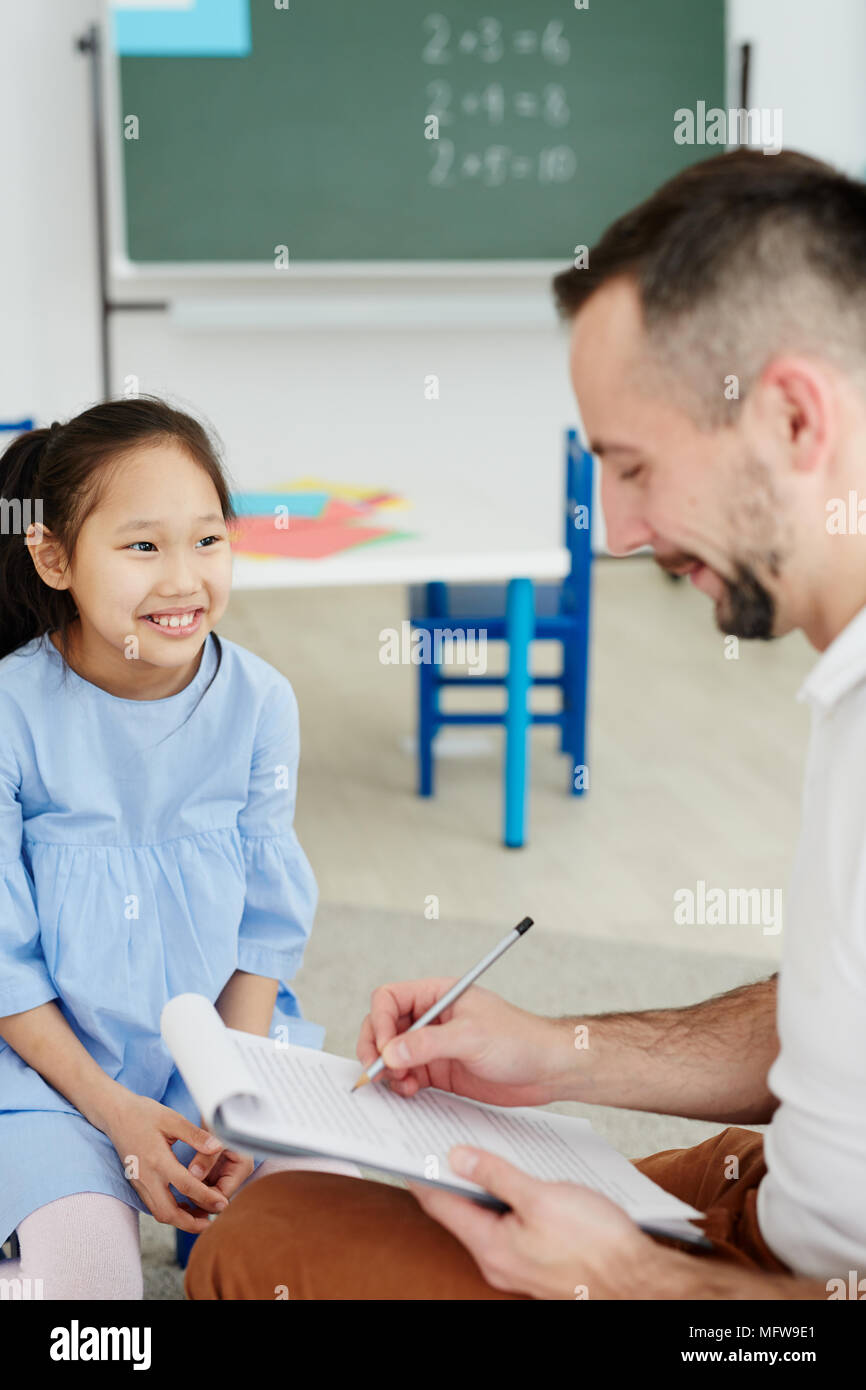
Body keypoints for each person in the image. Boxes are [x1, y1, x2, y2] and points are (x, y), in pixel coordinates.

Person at [185, 148, 866, 1300]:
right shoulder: (841, 675)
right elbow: (832, 1015)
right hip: (769, 1193)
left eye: (633, 465)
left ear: (794, 417)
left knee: (260, 1261)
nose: (614, 531)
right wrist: (559, 1050)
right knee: (288, 1211)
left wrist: (631, 1282)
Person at [0, 397, 356, 1300]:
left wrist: (229, 1101)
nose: (184, 579)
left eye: (208, 541)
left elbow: (264, 934)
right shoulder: (10, 713)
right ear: (53, 557)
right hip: (57, 1071)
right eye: (143, 546)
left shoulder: (262, 705)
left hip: (229, 1054)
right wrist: (117, 1117)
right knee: (86, 1300)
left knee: (334, 1260)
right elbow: (6, 968)